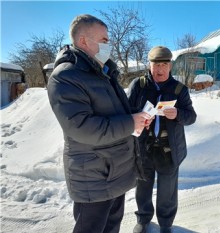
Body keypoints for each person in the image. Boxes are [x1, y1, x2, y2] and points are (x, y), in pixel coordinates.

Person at [47, 14, 150, 233]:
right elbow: (83, 128)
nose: (109, 45)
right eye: (104, 40)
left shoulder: (104, 72)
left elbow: (115, 112)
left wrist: (138, 116)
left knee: (112, 227)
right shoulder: (65, 77)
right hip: (93, 177)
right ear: (84, 41)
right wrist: (130, 123)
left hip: (115, 171)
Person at [127, 46, 197, 233]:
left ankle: (166, 224)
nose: (160, 69)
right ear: (149, 65)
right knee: (143, 186)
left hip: (169, 149)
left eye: (164, 64)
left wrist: (178, 114)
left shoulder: (179, 89)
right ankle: (143, 219)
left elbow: (191, 116)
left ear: (170, 66)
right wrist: (139, 116)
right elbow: (126, 112)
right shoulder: (139, 86)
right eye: (156, 65)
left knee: (168, 191)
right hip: (144, 147)